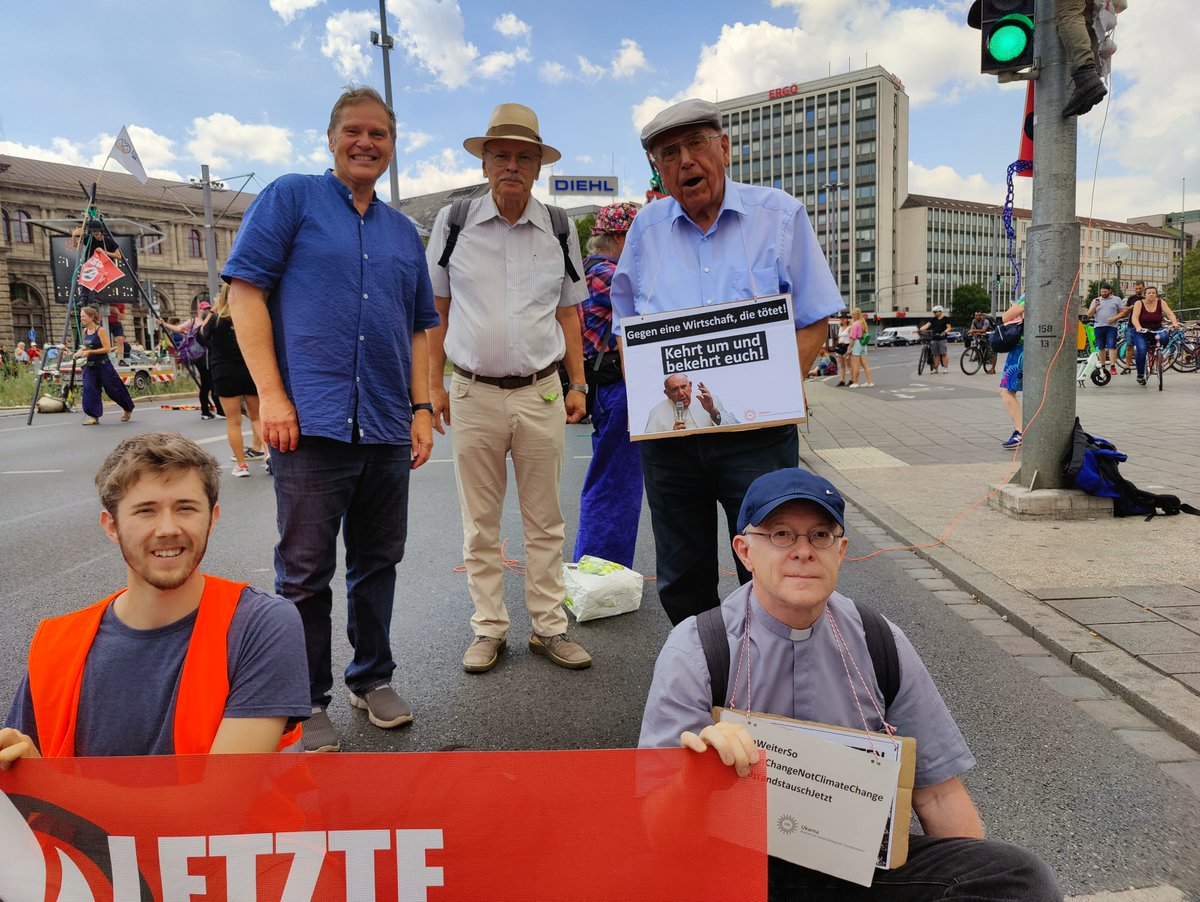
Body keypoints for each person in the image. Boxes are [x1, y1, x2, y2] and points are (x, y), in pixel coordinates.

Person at [639, 467, 1063, 901]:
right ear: (744, 551)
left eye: (820, 535)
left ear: (841, 551)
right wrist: (695, 780)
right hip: (738, 870)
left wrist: (973, 881)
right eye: (781, 534)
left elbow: (938, 795)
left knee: (1019, 877)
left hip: (855, 866)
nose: (803, 551)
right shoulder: (698, 649)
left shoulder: (878, 640)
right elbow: (658, 832)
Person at [223, 86, 439, 753]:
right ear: (331, 138)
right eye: (353, 131)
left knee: (379, 561)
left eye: (378, 133)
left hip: (384, 425)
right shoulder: (291, 198)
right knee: (305, 572)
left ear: (392, 144)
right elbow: (245, 292)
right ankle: (303, 698)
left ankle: (371, 678)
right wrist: (273, 395)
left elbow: (419, 329)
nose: (365, 142)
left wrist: (423, 406)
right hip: (308, 423)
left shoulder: (404, 233)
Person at [610, 98, 843, 626]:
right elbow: (625, 326)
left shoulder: (778, 215)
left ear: (724, 148)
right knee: (682, 571)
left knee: (770, 562)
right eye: (669, 153)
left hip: (756, 437)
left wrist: (782, 385)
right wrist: (645, 384)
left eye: (696, 144)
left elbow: (813, 320)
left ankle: (772, 676)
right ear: (659, 169)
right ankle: (705, 676)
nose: (686, 160)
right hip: (671, 442)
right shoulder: (646, 231)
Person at [0, 433, 309, 764]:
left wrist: (46, 784)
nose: (167, 528)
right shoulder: (56, 644)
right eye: (146, 511)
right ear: (112, 526)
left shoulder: (261, 624)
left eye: (186, 508)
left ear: (212, 519)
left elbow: (221, 800)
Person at [425, 102, 592, 674]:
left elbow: (570, 316)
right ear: (486, 162)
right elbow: (435, 314)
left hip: (540, 391)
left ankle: (549, 629)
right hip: (471, 391)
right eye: (502, 155)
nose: (512, 166)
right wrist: (431, 390)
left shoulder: (560, 228)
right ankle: (489, 628)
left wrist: (580, 384)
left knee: (546, 521)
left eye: (525, 156)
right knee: (481, 523)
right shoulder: (453, 225)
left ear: (539, 166)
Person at [574, 202, 644, 569]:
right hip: (619, 386)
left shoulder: (588, 272)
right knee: (617, 482)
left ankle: (601, 566)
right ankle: (599, 568)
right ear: (619, 238)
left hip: (607, 388)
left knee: (612, 477)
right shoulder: (610, 275)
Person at [198, 283, 266, 477]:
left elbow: (201, 337)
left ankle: (242, 465)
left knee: (233, 421)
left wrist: (213, 310)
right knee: (257, 417)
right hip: (248, 371)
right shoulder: (248, 316)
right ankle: (270, 454)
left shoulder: (216, 320)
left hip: (224, 372)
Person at [74, 305, 135, 426]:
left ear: (91, 317)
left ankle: (127, 408)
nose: (81, 319)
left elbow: (107, 348)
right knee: (89, 389)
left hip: (103, 365)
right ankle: (93, 416)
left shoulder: (100, 330)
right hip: (90, 366)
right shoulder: (85, 331)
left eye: (83, 316)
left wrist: (89, 352)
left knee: (113, 389)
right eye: (81, 317)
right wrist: (80, 352)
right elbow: (87, 347)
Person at [159, 303, 222, 420]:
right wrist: (164, 324)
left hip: (209, 355)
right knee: (211, 383)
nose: (206, 311)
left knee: (206, 384)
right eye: (204, 309)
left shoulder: (210, 319)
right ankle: (217, 410)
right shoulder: (193, 322)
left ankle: (207, 411)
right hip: (201, 357)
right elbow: (178, 329)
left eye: (208, 309)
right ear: (198, 310)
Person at [644, 374, 738, 432]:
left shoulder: (709, 400)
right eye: (674, 389)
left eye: (684, 387)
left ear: (691, 386)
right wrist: (671, 435)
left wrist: (712, 410)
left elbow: (735, 426)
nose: (681, 393)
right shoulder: (657, 412)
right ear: (667, 394)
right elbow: (650, 447)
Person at [1129, 286, 1181, 385]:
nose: (1151, 294)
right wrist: (1138, 327)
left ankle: (1161, 354)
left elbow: (1170, 314)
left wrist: (1175, 323)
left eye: (1153, 293)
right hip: (1142, 331)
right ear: (1145, 295)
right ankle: (1140, 374)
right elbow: (1134, 318)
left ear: (1156, 294)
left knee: (1165, 336)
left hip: (1157, 328)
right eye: (1149, 293)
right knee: (1142, 349)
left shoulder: (1161, 303)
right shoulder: (1139, 303)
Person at [997, 298, 1026, 449]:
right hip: (1032, 347)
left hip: (1021, 349)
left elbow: (1006, 317)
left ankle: (1020, 431)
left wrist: (1015, 306)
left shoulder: (1030, 293)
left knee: (1006, 390)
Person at [1086, 283, 1123, 375]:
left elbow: (1122, 312)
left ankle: (1113, 366)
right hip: (1098, 326)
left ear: (1109, 291)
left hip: (1112, 326)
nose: (1103, 293)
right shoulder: (1096, 300)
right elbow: (1089, 314)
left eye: (1105, 292)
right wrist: (1095, 306)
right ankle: (1102, 366)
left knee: (1111, 346)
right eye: (1101, 292)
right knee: (1101, 346)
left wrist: (1114, 318)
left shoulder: (1116, 299)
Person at [917, 305, 951, 373]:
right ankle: (935, 369)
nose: (934, 313)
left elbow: (949, 327)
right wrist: (920, 329)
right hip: (934, 338)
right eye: (933, 312)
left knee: (944, 354)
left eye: (935, 312)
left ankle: (945, 368)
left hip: (942, 338)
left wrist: (945, 332)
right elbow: (927, 325)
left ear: (940, 311)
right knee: (936, 355)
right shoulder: (933, 319)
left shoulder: (945, 319)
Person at [846, 307, 874, 388]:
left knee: (856, 365)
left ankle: (855, 382)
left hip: (857, 344)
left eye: (853, 314)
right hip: (863, 344)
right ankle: (869, 382)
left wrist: (849, 348)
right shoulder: (863, 323)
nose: (852, 316)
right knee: (865, 365)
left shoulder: (855, 324)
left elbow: (852, 338)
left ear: (856, 315)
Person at [833, 313, 852, 387]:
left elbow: (851, 338)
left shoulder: (849, 327)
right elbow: (839, 338)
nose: (841, 319)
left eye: (843, 318)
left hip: (846, 346)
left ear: (847, 319)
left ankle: (852, 379)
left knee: (849, 365)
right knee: (842, 365)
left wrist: (849, 348)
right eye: (841, 318)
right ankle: (842, 380)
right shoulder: (840, 328)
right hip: (840, 346)